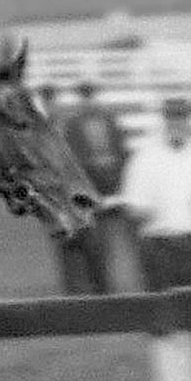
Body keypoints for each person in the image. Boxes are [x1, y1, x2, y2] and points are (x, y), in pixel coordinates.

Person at [118, 96, 191, 291]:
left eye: (182, 118)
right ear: (164, 120)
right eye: (172, 118)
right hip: (160, 248)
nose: (177, 123)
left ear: (189, 120)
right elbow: (133, 209)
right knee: (165, 312)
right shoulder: (143, 160)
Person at [54, 84, 130, 293]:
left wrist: (118, 187)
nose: (88, 102)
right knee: (93, 242)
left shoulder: (110, 122)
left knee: (111, 243)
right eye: (84, 98)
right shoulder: (72, 125)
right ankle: (97, 285)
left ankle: (109, 286)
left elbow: (122, 153)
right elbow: (72, 159)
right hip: (88, 193)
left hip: (111, 191)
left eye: (90, 97)